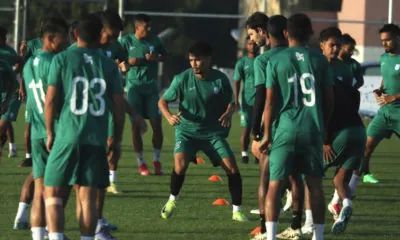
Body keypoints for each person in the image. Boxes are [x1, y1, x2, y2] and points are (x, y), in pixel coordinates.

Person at [43, 14, 125, 240]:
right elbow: (118, 107)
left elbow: (50, 100)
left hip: (67, 136)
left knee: (52, 193)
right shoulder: (108, 64)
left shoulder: (62, 59)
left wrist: (50, 131)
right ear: (100, 35)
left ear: (76, 33)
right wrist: (116, 139)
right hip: (96, 138)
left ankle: (55, 237)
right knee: (87, 197)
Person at [259, 13, 334, 240]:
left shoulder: (276, 60)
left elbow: (270, 102)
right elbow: (329, 100)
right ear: (310, 33)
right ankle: (318, 236)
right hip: (312, 130)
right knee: (315, 185)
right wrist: (324, 127)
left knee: (275, 185)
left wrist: (266, 134)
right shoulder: (320, 60)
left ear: (285, 33)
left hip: (285, 128)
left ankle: (270, 236)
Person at [158, 41, 247, 222]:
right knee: (179, 166)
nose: (194, 64)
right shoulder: (182, 79)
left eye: (198, 60)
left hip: (213, 133)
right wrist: (168, 116)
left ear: (208, 60)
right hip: (187, 132)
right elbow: (162, 101)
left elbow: (232, 102)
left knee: (232, 168)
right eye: (191, 60)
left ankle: (237, 211)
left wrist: (229, 113)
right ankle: (172, 201)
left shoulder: (220, 79)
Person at [22, 16, 69, 240]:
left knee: (40, 190)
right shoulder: (56, 62)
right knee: (61, 191)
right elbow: (59, 98)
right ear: (50, 38)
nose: (67, 41)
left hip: (37, 133)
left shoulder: (29, 64)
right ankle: (55, 234)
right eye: (64, 37)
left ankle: (39, 236)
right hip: (57, 131)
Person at [246, 13, 289, 240]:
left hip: (275, 125)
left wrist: (255, 132)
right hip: (302, 123)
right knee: (303, 179)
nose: (251, 40)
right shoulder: (300, 56)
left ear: (263, 31)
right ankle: (303, 224)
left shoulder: (263, 60)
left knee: (266, 178)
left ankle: (265, 230)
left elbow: (261, 99)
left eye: (252, 34)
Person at [119, 14, 166, 176]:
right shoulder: (126, 42)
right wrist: (127, 63)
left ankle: (157, 160)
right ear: (137, 27)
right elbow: (115, 60)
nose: (149, 30)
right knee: (135, 126)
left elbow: (165, 56)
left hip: (151, 89)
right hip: (134, 89)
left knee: (156, 124)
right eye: (146, 27)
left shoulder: (155, 40)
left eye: (150, 27)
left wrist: (156, 58)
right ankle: (141, 163)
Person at [358, 24, 400, 185]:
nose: (384, 44)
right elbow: (386, 76)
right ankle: (365, 173)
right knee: (366, 145)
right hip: (384, 112)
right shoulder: (383, 58)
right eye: (382, 40)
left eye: (388, 40)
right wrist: (381, 89)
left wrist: (394, 97)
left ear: (397, 38)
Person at [233, 37, 258, 164]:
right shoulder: (242, 62)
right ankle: (244, 155)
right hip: (246, 100)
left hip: (261, 100)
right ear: (246, 45)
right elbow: (237, 81)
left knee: (258, 129)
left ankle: (258, 155)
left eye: (254, 43)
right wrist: (236, 99)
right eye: (250, 43)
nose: (252, 45)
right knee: (246, 128)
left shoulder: (263, 60)